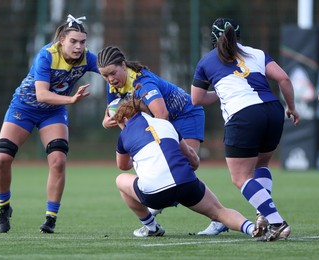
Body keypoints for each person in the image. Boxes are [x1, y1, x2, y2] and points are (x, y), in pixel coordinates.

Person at [96, 46, 228, 235]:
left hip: (186, 115)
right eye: (104, 76)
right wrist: (107, 122)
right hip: (165, 121)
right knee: (170, 171)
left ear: (123, 66)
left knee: (184, 168)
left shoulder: (143, 82)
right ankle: (165, 201)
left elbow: (162, 116)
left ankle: (218, 218)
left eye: (112, 73)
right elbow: (116, 114)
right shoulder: (114, 85)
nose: (110, 79)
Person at [190, 18, 300, 241]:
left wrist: (221, 93)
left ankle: (277, 222)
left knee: (241, 177)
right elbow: (284, 78)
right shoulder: (256, 53)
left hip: (244, 115)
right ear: (238, 35)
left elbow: (196, 98)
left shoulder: (206, 61)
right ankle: (264, 215)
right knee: (261, 163)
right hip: (272, 110)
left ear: (212, 38)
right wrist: (292, 107)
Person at [0, 14, 98, 233]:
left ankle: (50, 218)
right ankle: (4, 207)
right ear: (62, 40)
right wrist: (71, 100)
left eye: (82, 42)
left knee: (58, 160)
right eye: (73, 41)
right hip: (24, 108)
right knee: (3, 158)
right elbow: (41, 95)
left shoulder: (87, 58)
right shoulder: (46, 55)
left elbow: (112, 70)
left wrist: (135, 78)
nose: (79, 46)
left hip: (53, 112)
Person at [113, 96, 264, 239]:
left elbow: (123, 166)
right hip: (186, 183)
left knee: (120, 180)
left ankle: (151, 227)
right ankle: (253, 229)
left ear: (125, 119)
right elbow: (192, 157)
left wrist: (137, 156)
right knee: (219, 211)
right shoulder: (166, 124)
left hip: (155, 194)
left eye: (120, 125)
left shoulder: (125, 134)